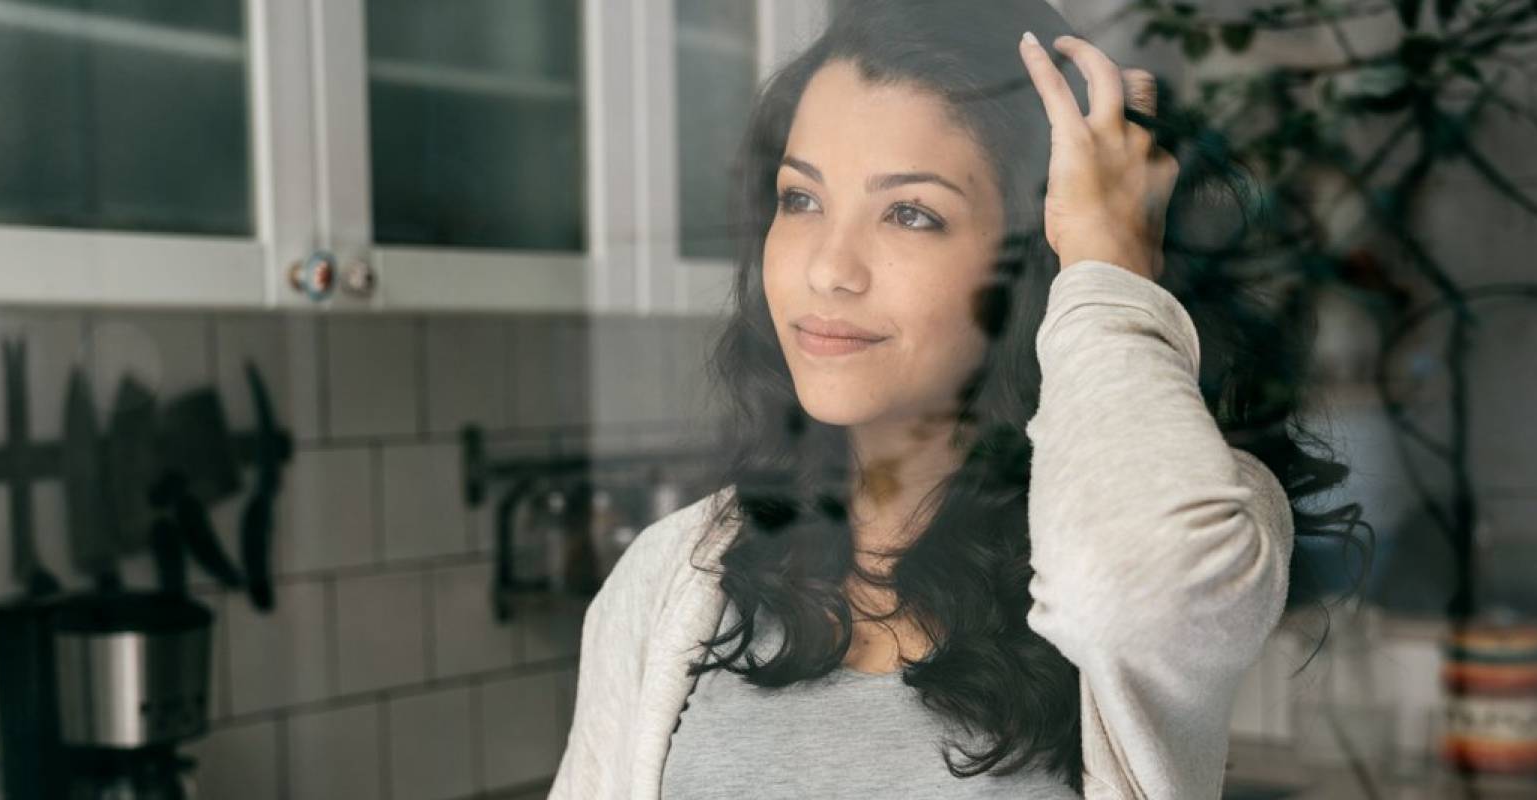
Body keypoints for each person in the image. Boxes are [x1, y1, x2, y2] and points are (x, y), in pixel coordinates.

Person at [552, 1, 1364, 797]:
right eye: (801, 199)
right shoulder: (672, 577)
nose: (829, 269)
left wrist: (1109, 271)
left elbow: (1134, 588)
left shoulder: (1196, 516)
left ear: (1036, 260)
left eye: (910, 213)